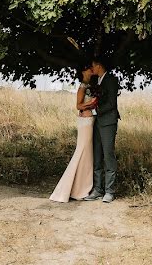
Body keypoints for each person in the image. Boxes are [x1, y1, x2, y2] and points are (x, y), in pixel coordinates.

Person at [49, 62, 99, 202]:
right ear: (83, 72)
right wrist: (92, 103)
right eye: (88, 68)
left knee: (87, 153)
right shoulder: (83, 86)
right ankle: (73, 188)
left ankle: (80, 187)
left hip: (90, 119)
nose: (91, 70)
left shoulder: (91, 85)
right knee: (82, 151)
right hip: (85, 120)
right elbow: (78, 106)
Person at [83, 58, 120, 203]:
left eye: (93, 66)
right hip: (97, 122)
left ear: (99, 66)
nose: (92, 69)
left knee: (108, 154)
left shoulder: (111, 80)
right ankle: (98, 189)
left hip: (108, 122)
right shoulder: (96, 81)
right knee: (96, 155)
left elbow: (112, 103)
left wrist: (95, 111)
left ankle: (109, 191)